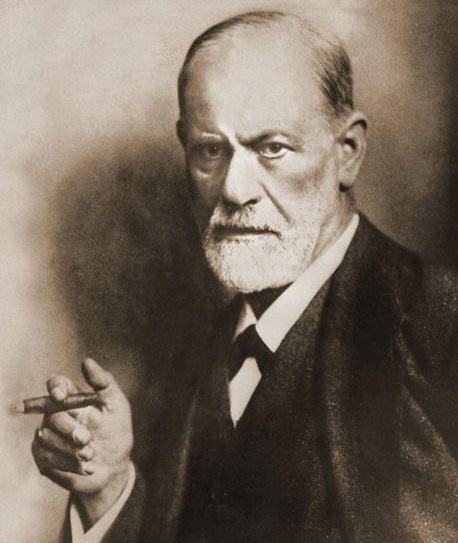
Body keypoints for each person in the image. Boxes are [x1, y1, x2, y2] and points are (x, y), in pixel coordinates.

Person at [31, 10, 457, 543]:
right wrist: (108, 490)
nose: (234, 190)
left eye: (271, 148)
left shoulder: (438, 325)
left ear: (347, 153)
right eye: (211, 151)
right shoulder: (188, 356)